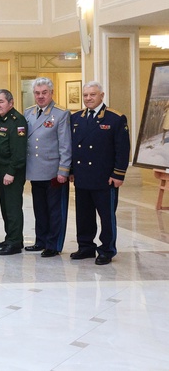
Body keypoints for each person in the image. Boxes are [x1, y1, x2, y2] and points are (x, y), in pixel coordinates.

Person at [69, 82, 130, 266]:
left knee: (106, 216)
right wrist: (71, 171)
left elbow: (123, 149)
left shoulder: (115, 118)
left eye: (93, 95)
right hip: (82, 176)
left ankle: (106, 250)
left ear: (102, 96)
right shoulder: (76, 118)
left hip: (105, 178)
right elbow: (73, 147)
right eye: (85, 95)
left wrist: (118, 174)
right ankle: (85, 246)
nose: (88, 98)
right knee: (83, 215)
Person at [23, 77, 71, 258]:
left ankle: (54, 244)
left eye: (44, 93)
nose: (40, 96)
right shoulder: (28, 113)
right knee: (40, 209)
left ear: (51, 93)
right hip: (35, 171)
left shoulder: (60, 114)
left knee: (55, 210)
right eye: (37, 93)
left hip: (53, 171)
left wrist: (64, 170)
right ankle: (40, 240)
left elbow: (65, 145)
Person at [0, 89, 27, 256]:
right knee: (5, 208)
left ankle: (15, 242)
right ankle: (10, 237)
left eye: (1, 102)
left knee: (13, 208)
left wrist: (11, 172)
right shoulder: (1, 120)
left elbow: (19, 152)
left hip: (11, 172)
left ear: (11, 102)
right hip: (1, 171)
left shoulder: (17, 121)